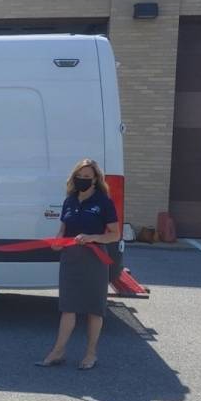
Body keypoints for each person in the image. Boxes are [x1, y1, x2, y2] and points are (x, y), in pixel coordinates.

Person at [37, 158, 120, 370]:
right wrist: (57, 242)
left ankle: (91, 353)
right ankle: (58, 351)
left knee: (94, 309)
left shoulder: (103, 202)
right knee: (68, 307)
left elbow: (114, 235)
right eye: (79, 176)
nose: (82, 180)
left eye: (87, 177)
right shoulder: (70, 201)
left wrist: (93, 237)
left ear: (95, 180)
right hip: (70, 260)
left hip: (94, 260)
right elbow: (63, 231)